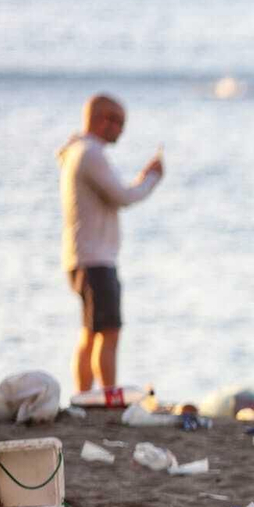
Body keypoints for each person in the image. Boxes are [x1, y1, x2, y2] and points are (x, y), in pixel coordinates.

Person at [57, 94, 163, 393]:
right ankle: (104, 396)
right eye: (119, 124)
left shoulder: (76, 151)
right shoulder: (90, 154)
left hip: (81, 255)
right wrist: (150, 178)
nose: (121, 132)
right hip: (95, 258)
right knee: (108, 331)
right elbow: (123, 196)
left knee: (91, 332)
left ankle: (86, 395)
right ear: (104, 120)